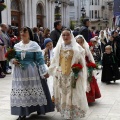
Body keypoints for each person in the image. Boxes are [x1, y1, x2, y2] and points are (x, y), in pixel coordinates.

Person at [10, 27, 54, 120]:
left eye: (25, 32)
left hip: (32, 71)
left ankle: (37, 108)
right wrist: (13, 60)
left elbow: (40, 59)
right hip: (19, 73)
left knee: (32, 90)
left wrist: (44, 71)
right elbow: (11, 57)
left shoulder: (34, 45)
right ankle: (22, 113)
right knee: (22, 91)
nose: (22, 33)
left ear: (29, 34)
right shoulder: (16, 46)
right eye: (21, 31)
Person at [48, 28, 88, 120]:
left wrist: (79, 72)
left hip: (72, 75)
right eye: (63, 35)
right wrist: (51, 71)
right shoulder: (59, 47)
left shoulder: (77, 48)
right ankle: (65, 112)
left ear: (71, 36)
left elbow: (81, 62)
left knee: (72, 94)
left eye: (67, 35)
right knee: (63, 94)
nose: (65, 37)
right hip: (62, 75)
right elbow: (54, 61)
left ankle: (72, 113)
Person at [76, 35, 101, 103]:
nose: (79, 44)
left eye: (81, 42)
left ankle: (88, 98)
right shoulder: (75, 49)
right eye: (78, 42)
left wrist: (91, 65)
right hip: (78, 67)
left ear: (83, 42)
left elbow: (90, 58)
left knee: (88, 80)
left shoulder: (86, 49)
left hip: (86, 67)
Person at [43, 38, 54, 102]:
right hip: (48, 70)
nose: (50, 46)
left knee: (53, 83)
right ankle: (51, 97)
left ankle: (53, 96)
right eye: (47, 45)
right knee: (50, 83)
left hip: (54, 69)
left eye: (50, 44)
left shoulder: (55, 50)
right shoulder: (45, 52)